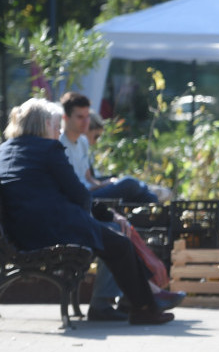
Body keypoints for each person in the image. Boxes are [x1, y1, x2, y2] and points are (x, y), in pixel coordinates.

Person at [0, 98, 175, 325]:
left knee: (114, 238)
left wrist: (107, 215)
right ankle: (144, 307)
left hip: (17, 234)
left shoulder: (4, 150)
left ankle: (145, 299)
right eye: (55, 126)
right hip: (50, 231)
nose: (58, 131)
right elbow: (79, 195)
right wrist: (95, 219)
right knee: (120, 244)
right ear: (43, 125)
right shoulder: (48, 149)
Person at [59, 92, 158, 204]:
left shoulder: (83, 141)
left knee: (148, 197)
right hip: (81, 198)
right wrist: (103, 185)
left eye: (87, 116)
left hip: (91, 191)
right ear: (66, 118)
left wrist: (105, 183)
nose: (86, 122)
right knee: (129, 183)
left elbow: (88, 179)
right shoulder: (58, 144)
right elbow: (71, 189)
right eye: (80, 117)